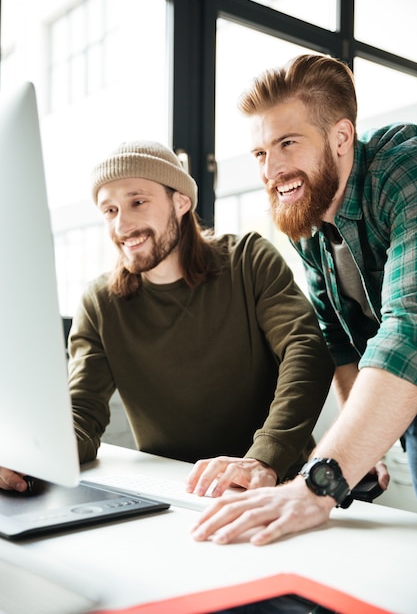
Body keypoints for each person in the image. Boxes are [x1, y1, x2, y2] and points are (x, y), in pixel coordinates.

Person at [0, 140, 334, 497]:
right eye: (110, 211)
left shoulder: (248, 261)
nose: (122, 225)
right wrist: (28, 453)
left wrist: (265, 458)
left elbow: (306, 350)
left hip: (276, 483)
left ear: (181, 202)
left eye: (137, 202)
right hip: (176, 493)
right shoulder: (100, 303)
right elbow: (81, 415)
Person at [191, 53, 417, 547]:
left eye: (287, 143)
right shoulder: (308, 218)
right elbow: (336, 337)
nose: (271, 170)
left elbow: (410, 328)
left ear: (340, 137)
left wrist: (320, 483)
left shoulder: (406, 171)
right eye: (259, 154)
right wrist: (364, 447)